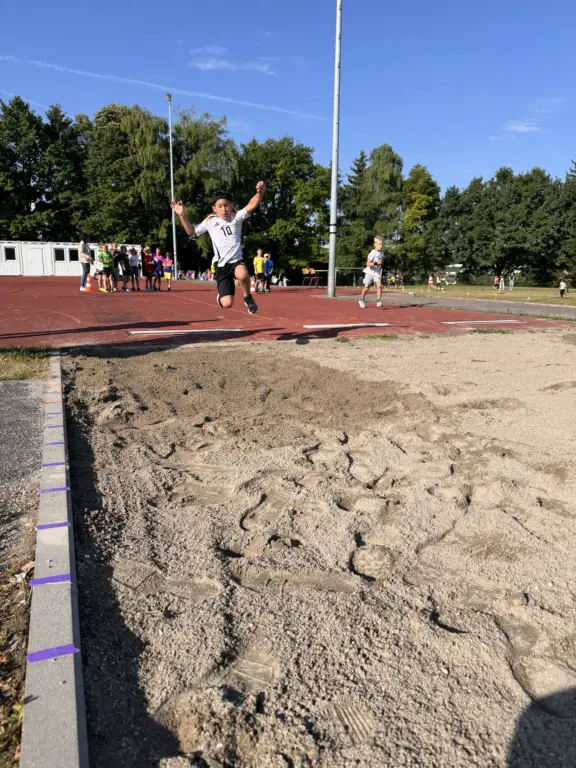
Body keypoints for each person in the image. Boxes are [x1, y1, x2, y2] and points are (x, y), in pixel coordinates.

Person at [171, 181, 266, 314]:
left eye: (226, 205)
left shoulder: (236, 218)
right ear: (214, 208)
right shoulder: (210, 221)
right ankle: (222, 294)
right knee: (227, 303)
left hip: (236, 261)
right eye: (220, 206)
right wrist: (182, 215)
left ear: (231, 206)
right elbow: (191, 231)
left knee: (243, 273)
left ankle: (247, 298)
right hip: (221, 266)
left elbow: (251, 205)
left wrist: (259, 193)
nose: (224, 209)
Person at [358, 236, 384, 309]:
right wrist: (376, 263)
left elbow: (381, 262)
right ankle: (361, 300)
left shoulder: (382, 253)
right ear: (375, 244)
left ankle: (379, 300)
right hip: (370, 272)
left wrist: (381, 263)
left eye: (382, 244)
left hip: (376, 272)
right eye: (379, 244)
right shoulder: (372, 253)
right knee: (366, 288)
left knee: (379, 285)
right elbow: (368, 264)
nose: (381, 246)